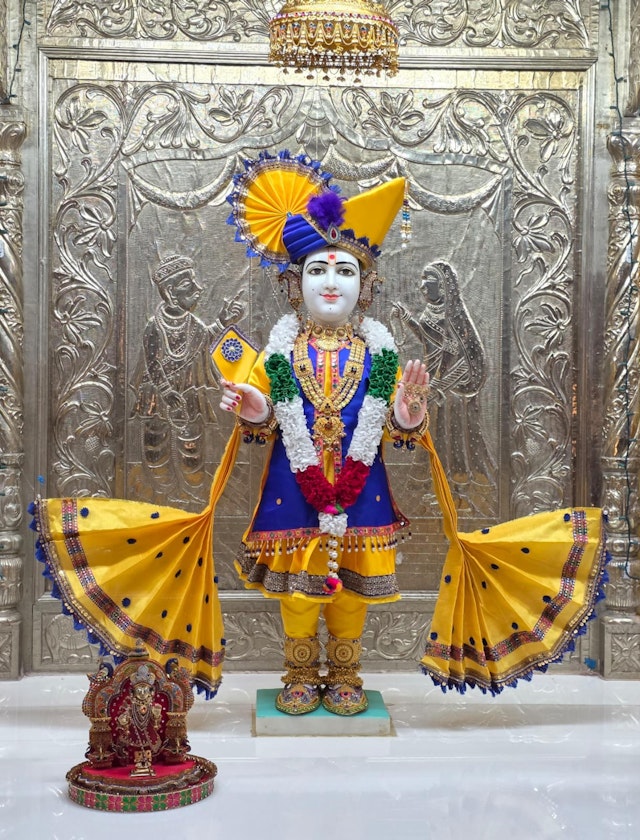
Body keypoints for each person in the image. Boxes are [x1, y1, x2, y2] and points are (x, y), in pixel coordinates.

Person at [32, 151, 607, 705]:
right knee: (299, 594)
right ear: (294, 284)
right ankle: (301, 671)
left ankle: (347, 672)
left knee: (353, 591)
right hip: (294, 488)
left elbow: (399, 427)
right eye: (317, 270)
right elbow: (264, 419)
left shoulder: (380, 354)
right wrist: (256, 409)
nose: (331, 282)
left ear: (366, 286)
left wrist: (409, 413)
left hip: (363, 489)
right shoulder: (278, 354)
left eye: (345, 271)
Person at [130, 254, 245, 503]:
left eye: (194, 281)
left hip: (189, 393)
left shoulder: (193, 324)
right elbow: (152, 362)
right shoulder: (154, 326)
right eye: (188, 284)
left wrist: (223, 321)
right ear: (171, 293)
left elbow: (205, 339)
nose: (198, 288)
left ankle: (194, 495)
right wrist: (166, 391)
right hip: (158, 397)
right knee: (155, 446)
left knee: (191, 446)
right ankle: (161, 496)